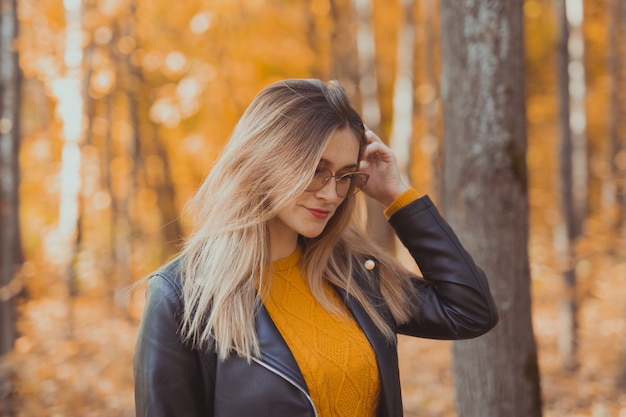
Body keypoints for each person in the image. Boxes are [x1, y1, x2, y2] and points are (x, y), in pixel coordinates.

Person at [133, 78, 498, 417]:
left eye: (344, 175)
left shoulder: (354, 273)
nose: (332, 193)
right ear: (264, 160)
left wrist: (396, 196)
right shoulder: (181, 295)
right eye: (315, 169)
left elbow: (469, 310)